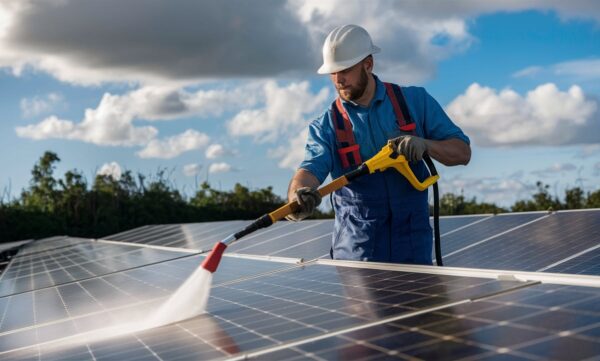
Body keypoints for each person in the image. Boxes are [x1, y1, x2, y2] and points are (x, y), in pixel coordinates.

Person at [287, 24, 471, 265]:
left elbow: (462, 152)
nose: (339, 80)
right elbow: (310, 169)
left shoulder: (416, 102)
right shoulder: (326, 126)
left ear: (368, 64)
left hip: (413, 251)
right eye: (333, 73)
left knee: (422, 305)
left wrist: (426, 145)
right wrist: (297, 194)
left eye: (345, 70)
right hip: (358, 254)